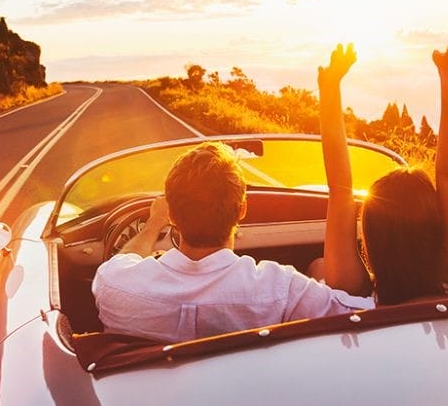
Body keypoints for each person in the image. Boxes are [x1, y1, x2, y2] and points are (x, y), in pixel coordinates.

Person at [92, 142, 374, 342]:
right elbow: (365, 313)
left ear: (173, 216)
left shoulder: (113, 284)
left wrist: (153, 225)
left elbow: (122, 261)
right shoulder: (280, 290)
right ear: (242, 210)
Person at [318, 38, 448, 305]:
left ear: (371, 235)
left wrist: (329, 89)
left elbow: (340, 189)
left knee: (317, 267)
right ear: (436, 226)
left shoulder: (353, 290)